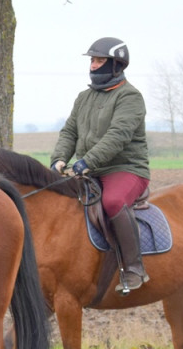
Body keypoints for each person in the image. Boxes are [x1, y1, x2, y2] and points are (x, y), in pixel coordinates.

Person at [50, 37, 151, 294]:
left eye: (99, 61)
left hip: (125, 169)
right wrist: (59, 159)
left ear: (116, 65)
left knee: (113, 203)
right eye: (92, 61)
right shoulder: (84, 97)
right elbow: (70, 131)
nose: (93, 66)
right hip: (90, 170)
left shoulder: (130, 97)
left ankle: (134, 268)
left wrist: (87, 161)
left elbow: (118, 136)